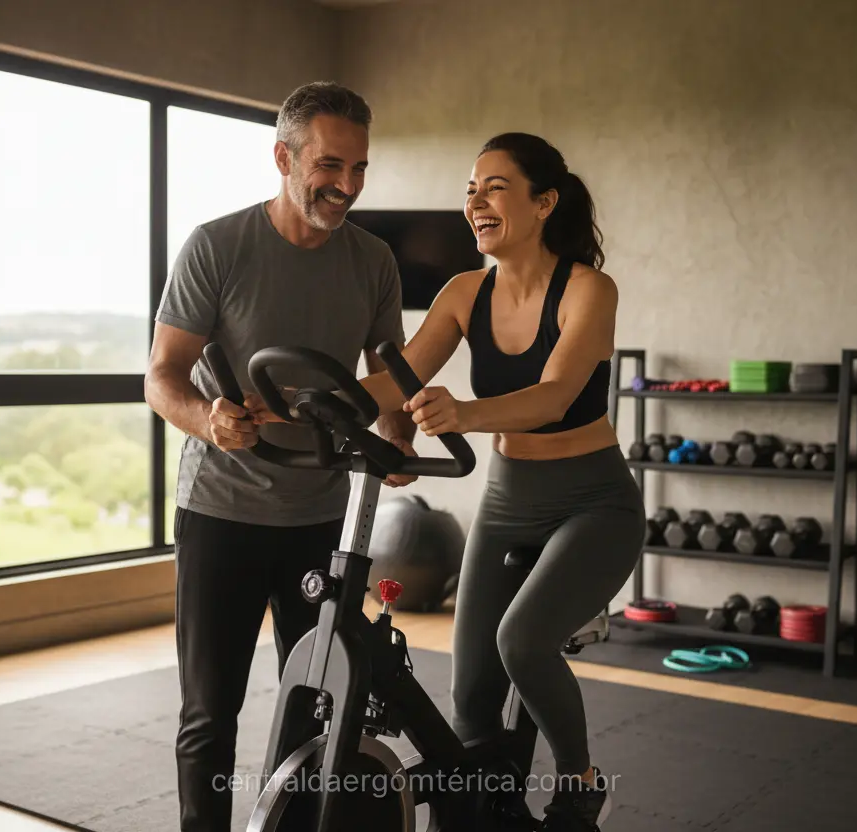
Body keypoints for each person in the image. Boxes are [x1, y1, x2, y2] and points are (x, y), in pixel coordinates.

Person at [351, 132, 646, 831]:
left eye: (494, 186)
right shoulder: (463, 292)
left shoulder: (588, 290)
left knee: (522, 643)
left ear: (544, 202)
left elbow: (554, 395)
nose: (475, 201)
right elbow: (393, 382)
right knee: (470, 695)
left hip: (594, 504)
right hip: (510, 500)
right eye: (469, 189)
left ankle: (579, 783)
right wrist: (296, 406)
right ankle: (476, 816)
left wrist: (466, 411)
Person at [144, 81, 417, 832]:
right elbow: (161, 377)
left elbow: (390, 378)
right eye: (332, 165)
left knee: (319, 703)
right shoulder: (218, 245)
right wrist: (211, 420)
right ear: (283, 157)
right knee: (210, 711)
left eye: (360, 168)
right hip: (222, 511)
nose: (348, 186)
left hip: (322, 516)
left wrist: (398, 440)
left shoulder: (373, 261)